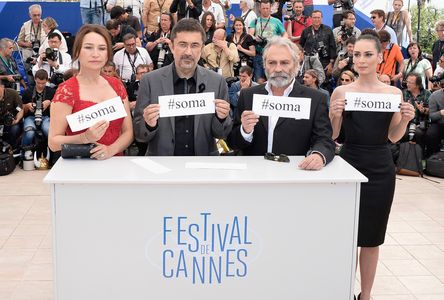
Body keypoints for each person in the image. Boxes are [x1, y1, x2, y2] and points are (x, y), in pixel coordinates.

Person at [329, 33, 415, 300]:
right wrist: (335, 115)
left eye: (368, 55)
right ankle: (342, 291)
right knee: (346, 237)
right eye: (357, 55)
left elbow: (393, 136)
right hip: (349, 164)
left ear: (380, 57)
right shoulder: (342, 91)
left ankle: (365, 295)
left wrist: (405, 121)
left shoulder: (392, 93)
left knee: (371, 238)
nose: (362, 60)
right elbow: (334, 136)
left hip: (380, 168)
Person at [227, 36, 335, 169]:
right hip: (254, 176)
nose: (278, 69)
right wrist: (245, 131)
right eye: (272, 63)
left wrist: (319, 155)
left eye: (284, 63)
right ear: (265, 64)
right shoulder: (248, 96)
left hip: (294, 176)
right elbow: (233, 142)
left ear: (296, 64)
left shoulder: (315, 99)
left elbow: (325, 140)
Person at [133, 18, 232, 156]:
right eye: (182, 44)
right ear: (172, 46)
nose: (188, 52)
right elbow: (139, 135)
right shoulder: (150, 81)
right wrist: (149, 124)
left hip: (203, 166)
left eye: (194, 45)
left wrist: (221, 118)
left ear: (202, 48)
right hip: (162, 167)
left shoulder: (217, 82)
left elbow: (222, 133)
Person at [48, 24, 133, 160]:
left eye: (102, 48)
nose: (95, 54)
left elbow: (128, 132)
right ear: (77, 52)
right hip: (80, 168)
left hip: (115, 165)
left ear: (108, 54)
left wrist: (111, 150)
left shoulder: (117, 85)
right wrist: (84, 138)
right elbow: (53, 143)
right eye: (88, 47)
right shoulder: (67, 90)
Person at [249, 0, 287, 84]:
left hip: (272, 54)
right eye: (263, 8)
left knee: (273, 80)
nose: (265, 10)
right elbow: (250, 35)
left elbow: (285, 35)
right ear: (260, 8)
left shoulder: (277, 21)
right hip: (259, 54)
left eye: (267, 8)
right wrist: (256, 39)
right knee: (258, 81)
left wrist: (279, 42)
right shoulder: (255, 21)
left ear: (270, 9)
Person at [21, 69, 55, 148]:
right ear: (34, 79)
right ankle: (24, 153)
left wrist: (50, 103)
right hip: (30, 117)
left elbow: (58, 109)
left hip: (46, 117)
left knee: (48, 131)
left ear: (47, 80)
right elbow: (21, 109)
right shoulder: (28, 92)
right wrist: (27, 106)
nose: (40, 85)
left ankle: (53, 154)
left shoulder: (52, 91)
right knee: (29, 132)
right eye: (38, 83)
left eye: (43, 83)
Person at [402, 72, 430, 146]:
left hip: (420, 123)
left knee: (418, 133)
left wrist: (423, 110)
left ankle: (420, 154)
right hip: (406, 123)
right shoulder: (404, 93)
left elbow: (431, 111)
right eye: (407, 82)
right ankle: (404, 153)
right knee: (404, 133)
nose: (407, 84)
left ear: (417, 85)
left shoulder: (426, 93)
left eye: (410, 83)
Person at [0, 81, 23, 151]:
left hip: (12, 122)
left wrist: (17, 119)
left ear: (2, 87)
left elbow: (20, 109)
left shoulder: (13, 93)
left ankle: (13, 149)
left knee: (15, 129)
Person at [425, 87, 444, 156]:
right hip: (439, 123)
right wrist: (441, 113)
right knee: (431, 134)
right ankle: (432, 157)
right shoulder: (435, 96)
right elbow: (432, 116)